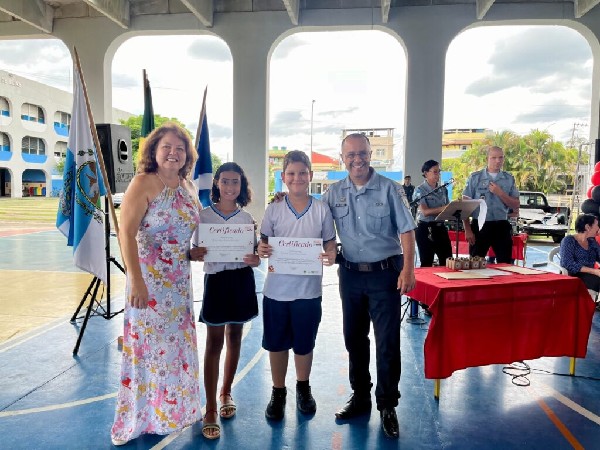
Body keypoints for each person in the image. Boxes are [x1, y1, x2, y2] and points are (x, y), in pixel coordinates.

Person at [110, 123, 202, 446]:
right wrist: (135, 279)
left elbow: (186, 232)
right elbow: (126, 233)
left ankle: (173, 411)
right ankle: (143, 416)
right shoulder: (143, 183)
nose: (173, 153)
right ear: (154, 150)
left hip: (179, 284)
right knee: (148, 349)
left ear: (187, 154)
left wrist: (193, 252)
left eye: (180, 148)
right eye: (167, 147)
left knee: (175, 347)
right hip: (148, 283)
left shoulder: (188, 186)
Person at [321, 133, 416, 439]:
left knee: (387, 342)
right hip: (350, 275)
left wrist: (408, 270)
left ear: (371, 154)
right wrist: (284, 204)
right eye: (350, 155)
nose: (357, 160)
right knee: (354, 339)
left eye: (362, 153)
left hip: (384, 275)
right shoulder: (333, 193)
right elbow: (318, 225)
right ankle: (361, 396)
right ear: (342, 158)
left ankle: (387, 405)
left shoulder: (391, 189)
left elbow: (407, 231)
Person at [257, 150, 337, 421]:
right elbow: (264, 241)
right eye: (291, 173)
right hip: (276, 291)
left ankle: (303, 387)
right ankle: (278, 391)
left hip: (308, 291)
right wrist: (262, 248)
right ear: (283, 176)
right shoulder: (274, 208)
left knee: (304, 343)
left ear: (311, 175)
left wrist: (331, 252)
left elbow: (329, 241)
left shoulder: (321, 209)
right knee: (277, 344)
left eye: (303, 173)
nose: (297, 178)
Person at [191, 162, 260, 439]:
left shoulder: (247, 219)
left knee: (235, 337)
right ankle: (209, 408)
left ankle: (226, 392)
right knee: (214, 343)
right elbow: (193, 250)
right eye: (225, 181)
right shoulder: (203, 216)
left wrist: (256, 259)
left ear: (241, 186)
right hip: (217, 282)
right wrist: (194, 254)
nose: (230, 186)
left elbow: (255, 254)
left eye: (235, 182)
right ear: (217, 183)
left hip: (241, 280)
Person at [462, 145, 519, 264]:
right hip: (480, 225)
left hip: (501, 225)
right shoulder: (475, 178)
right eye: (494, 157)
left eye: (501, 157)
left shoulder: (509, 178)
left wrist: (500, 193)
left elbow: (515, 204)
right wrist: (467, 229)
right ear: (487, 158)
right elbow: (465, 205)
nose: (498, 161)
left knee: (505, 265)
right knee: (475, 264)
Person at [414, 160, 452, 267]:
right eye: (435, 172)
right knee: (427, 262)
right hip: (425, 229)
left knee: (447, 261)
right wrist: (444, 208)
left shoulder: (443, 190)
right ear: (426, 173)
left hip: (440, 228)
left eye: (439, 171)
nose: (438, 174)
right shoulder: (420, 190)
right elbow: (425, 212)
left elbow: (448, 209)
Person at [559, 213, 600, 306]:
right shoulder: (569, 240)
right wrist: (594, 271)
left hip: (590, 274)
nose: (598, 228)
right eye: (597, 225)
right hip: (574, 275)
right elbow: (567, 263)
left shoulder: (592, 242)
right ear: (587, 227)